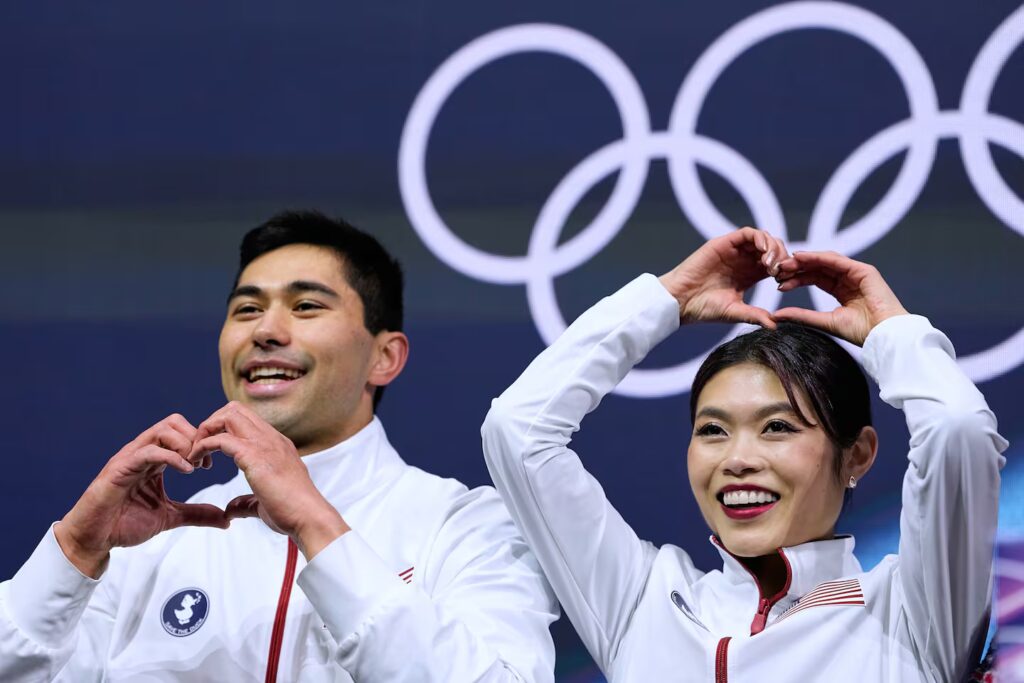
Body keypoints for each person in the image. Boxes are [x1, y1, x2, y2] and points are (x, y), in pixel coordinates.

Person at [0, 211, 557, 682]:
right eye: (246, 310)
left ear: (384, 357)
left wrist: (318, 525)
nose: (265, 331)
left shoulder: (467, 527)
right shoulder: (145, 542)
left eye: (307, 306)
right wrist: (74, 550)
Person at [482, 227, 1007, 681]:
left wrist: (890, 333)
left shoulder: (913, 612)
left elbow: (957, 429)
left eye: (776, 427)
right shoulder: (643, 601)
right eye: (713, 430)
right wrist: (665, 301)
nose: (738, 459)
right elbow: (519, 431)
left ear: (857, 455)